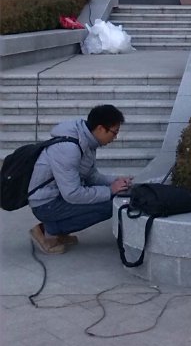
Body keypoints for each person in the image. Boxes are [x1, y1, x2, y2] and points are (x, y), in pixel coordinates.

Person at [27, 104, 132, 255]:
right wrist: (110, 191)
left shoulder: (86, 141)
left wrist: (117, 181)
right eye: (114, 132)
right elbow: (72, 194)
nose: (115, 137)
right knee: (111, 205)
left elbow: (92, 176)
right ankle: (47, 231)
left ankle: (57, 230)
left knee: (116, 197)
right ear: (100, 128)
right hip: (45, 204)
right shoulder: (69, 149)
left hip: (58, 196)